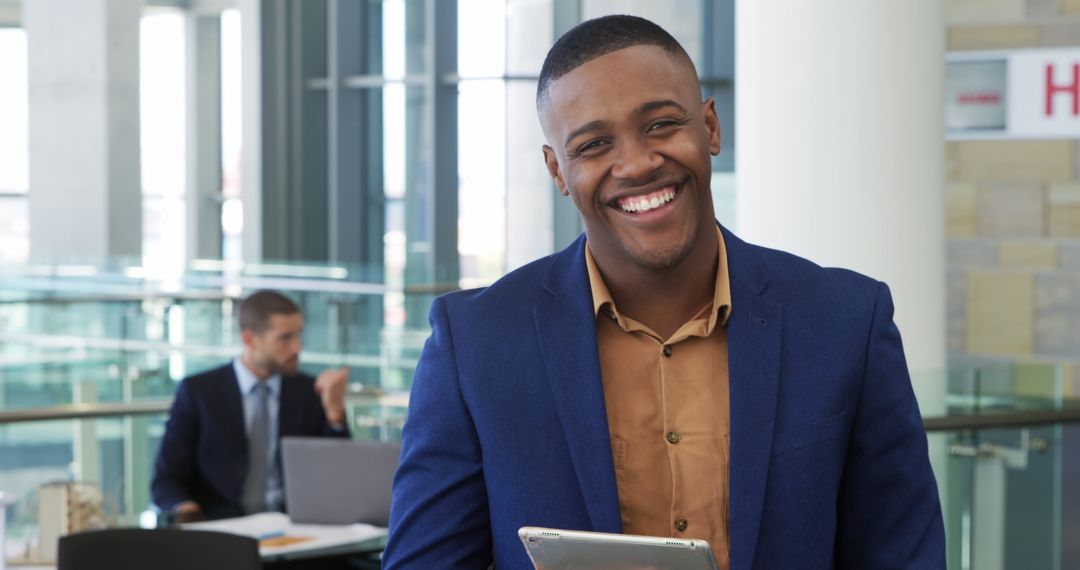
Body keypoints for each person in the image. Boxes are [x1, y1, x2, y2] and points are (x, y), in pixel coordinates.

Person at [384, 14, 945, 570]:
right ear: (557, 171)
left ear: (711, 128)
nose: (636, 163)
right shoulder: (476, 344)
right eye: (595, 144)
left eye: (660, 125)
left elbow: (903, 556)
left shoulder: (846, 322)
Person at [151, 290, 350, 521]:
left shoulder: (309, 391)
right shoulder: (200, 392)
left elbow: (338, 476)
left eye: (299, 336)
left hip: (296, 526)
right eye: (285, 338)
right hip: (222, 528)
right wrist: (187, 512)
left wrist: (335, 413)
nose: (297, 348)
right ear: (249, 339)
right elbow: (166, 479)